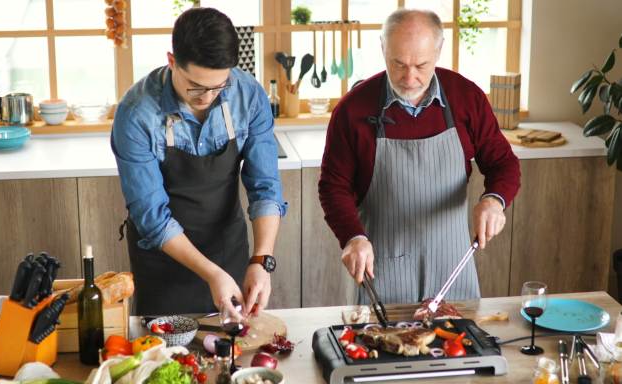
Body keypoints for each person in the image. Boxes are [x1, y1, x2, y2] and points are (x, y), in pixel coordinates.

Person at [318, 9, 520, 304]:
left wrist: (494, 200)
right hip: (380, 271)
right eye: (398, 63)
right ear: (383, 49)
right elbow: (333, 187)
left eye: (421, 65)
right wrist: (352, 237)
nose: (409, 77)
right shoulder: (353, 110)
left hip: (454, 270)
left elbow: (503, 163)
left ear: (438, 53)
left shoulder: (467, 97)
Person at [111, 8, 286, 318]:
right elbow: (152, 217)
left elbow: (266, 188)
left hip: (228, 251)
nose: (208, 97)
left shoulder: (247, 96)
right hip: (163, 264)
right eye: (196, 85)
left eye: (219, 86)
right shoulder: (137, 114)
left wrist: (261, 260)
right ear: (172, 61)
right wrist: (211, 274)